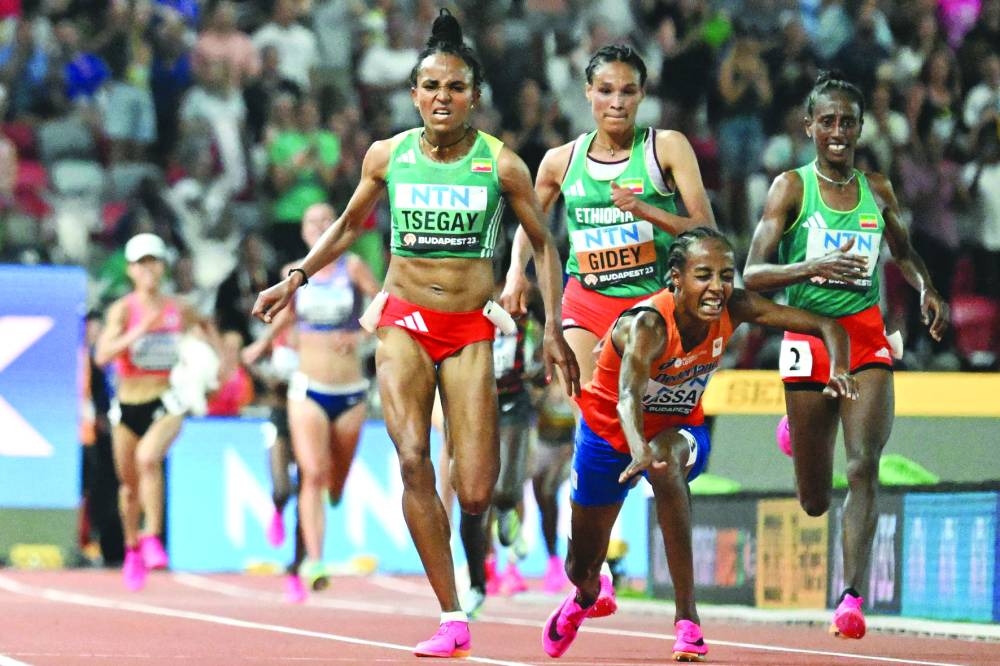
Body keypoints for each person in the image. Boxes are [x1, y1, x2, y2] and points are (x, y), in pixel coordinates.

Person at [251, 10, 579, 658]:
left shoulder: (500, 163)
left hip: (469, 327)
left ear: (474, 96)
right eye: (431, 86)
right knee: (410, 458)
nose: (442, 98)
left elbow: (544, 244)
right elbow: (348, 226)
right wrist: (296, 276)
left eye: (455, 87)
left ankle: (491, 524)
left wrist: (554, 330)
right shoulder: (388, 155)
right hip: (403, 319)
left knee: (476, 490)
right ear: (414, 94)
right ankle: (452, 612)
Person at [543, 227, 858, 661]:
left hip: (680, 431)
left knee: (665, 462)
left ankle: (687, 621)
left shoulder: (734, 307)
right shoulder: (648, 325)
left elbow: (826, 324)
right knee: (580, 567)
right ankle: (585, 596)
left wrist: (839, 367)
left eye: (726, 276)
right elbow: (628, 397)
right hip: (609, 435)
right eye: (703, 275)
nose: (717, 288)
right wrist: (636, 447)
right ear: (676, 278)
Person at [502, 42, 715, 612]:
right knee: (597, 414)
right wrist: (516, 274)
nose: (616, 102)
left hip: (654, 306)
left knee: (640, 422)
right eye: (605, 91)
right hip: (588, 302)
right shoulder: (561, 160)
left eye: (628, 91)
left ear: (642, 95)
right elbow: (532, 220)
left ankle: (604, 543)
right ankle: (601, 554)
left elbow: (706, 229)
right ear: (588, 94)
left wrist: (647, 211)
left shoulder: (665, 148)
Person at [743, 71, 950, 640]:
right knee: (813, 501)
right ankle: (796, 428)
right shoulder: (790, 188)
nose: (838, 132)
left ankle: (851, 597)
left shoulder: (877, 190)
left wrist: (927, 288)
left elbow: (904, 254)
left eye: (848, 123)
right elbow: (752, 274)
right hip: (809, 335)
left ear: (860, 129)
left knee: (862, 466)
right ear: (809, 126)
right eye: (827, 121)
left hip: (864, 337)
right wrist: (810, 267)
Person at [243, 202, 380, 602]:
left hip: (350, 389)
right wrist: (262, 344)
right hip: (307, 387)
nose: (319, 226)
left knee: (335, 481)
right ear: (303, 232)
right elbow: (286, 316)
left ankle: (334, 493)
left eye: (326, 220)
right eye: (312, 222)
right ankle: (315, 562)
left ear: (338, 227)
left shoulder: (353, 268)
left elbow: (384, 304)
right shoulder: (294, 272)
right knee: (313, 473)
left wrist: (361, 334)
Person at [94, 233, 219, 591]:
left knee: (149, 459)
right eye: (142, 263)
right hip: (128, 405)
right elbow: (102, 356)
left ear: (163, 266)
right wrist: (138, 332)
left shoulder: (178, 307)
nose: (148, 269)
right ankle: (132, 547)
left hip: (166, 400)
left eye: (154, 261)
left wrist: (215, 366)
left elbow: (207, 326)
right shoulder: (123, 310)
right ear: (131, 270)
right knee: (129, 488)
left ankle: (152, 536)